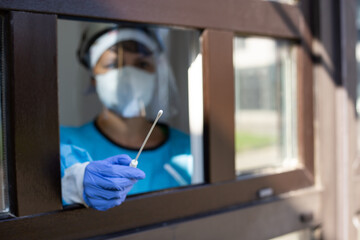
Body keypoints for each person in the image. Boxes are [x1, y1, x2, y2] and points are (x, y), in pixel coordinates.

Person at [60, 23, 193, 211]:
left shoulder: (189, 150)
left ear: (156, 74)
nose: (129, 75)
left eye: (142, 64)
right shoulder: (63, 143)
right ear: (92, 76)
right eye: (113, 64)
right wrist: (74, 184)